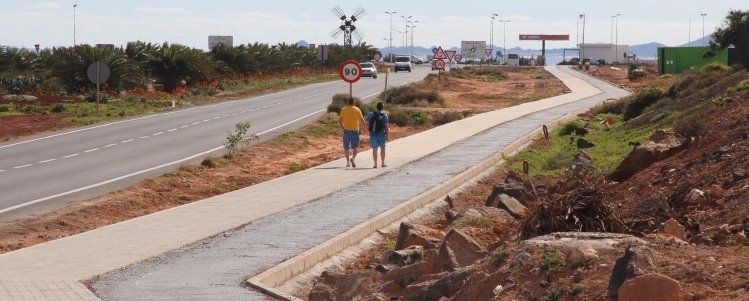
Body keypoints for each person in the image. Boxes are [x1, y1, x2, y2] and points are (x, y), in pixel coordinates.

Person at [339, 97, 366, 168]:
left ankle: (348, 162)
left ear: (348, 102)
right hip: (355, 130)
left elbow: (340, 121)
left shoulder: (343, 109)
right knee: (356, 147)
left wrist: (343, 129)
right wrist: (363, 129)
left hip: (346, 130)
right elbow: (362, 120)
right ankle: (353, 158)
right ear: (354, 102)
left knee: (346, 147)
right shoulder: (357, 109)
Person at [367, 102, 390, 168]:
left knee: (375, 149)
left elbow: (367, 122)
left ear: (376, 107)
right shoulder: (384, 116)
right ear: (382, 108)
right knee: (382, 149)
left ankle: (375, 164)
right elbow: (386, 126)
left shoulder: (371, 114)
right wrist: (387, 135)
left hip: (373, 134)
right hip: (381, 134)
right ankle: (382, 163)